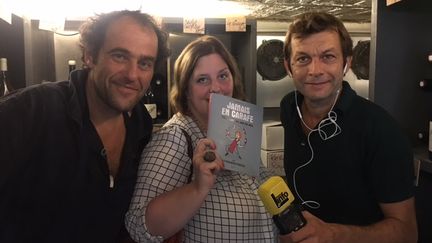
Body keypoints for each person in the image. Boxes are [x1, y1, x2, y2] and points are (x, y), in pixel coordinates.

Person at [0, 10, 169, 242]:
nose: (132, 74)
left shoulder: (141, 125)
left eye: (144, 63)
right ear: (90, 55)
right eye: (120, 56)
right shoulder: (31, 111)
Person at [279, 11, 417, 243]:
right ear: (288, 66)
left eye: (328, 57)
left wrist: (332, 234)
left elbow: (407, 233)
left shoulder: (381, 130)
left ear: (347, 62)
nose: (315, 70)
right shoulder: (289, 108)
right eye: (303, 58)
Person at [125, 35, 277, 242]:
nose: (215, 88)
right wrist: (198, 188)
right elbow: (138, 226)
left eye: (223, 76)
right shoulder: (176, 138)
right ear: (186, 90)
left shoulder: (236, 129)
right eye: (202, 80)